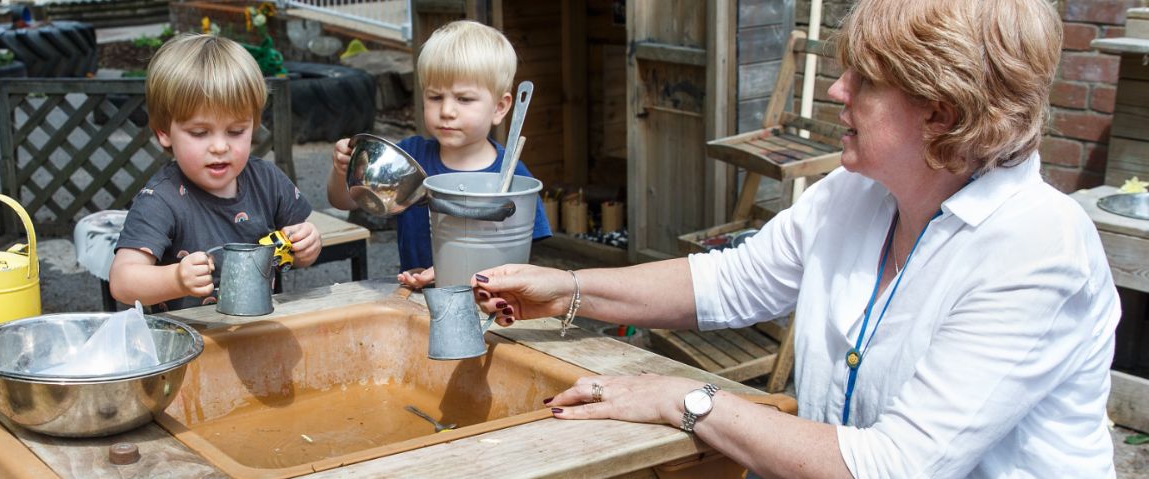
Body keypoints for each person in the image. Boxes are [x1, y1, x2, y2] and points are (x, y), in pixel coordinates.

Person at [472, 1, 1120, 476]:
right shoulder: (859, 193)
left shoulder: (1036, 249)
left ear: (941, 110)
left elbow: (892, 466)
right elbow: (734, 281)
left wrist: (685, 398)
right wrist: (566, 289)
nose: (838, 90)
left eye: (864, 79)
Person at [326, 20, 550, 298]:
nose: (446, 110)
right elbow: (344, 200)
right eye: (435, 97)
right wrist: (342, 170)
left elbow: (524, 256)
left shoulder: (512, 175)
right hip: (418, 297)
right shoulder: (408, 157)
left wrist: (457, 271)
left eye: (464, 99)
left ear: (500, 107)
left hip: (492, 304)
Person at [110, 34, 322, 310]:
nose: (220, 147)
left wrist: (307, 247)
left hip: (259, 333)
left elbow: (296, 252)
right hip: (190, 344)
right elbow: (122, 281)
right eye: (200, 133)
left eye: (236, 131)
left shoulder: (267, 180)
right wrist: (175, 278)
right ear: (164, 132)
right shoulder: (159, 200)